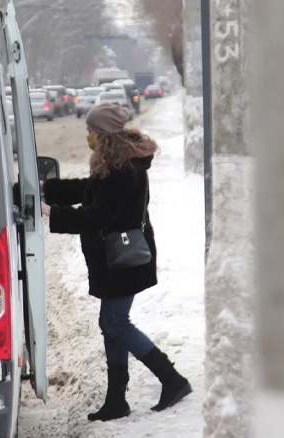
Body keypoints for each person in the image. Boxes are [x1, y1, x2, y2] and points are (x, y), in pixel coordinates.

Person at [40, 103, 191, 422]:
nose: (88, 137)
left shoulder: (124, 170)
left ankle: (171, 379)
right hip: (114, 261)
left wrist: (53, 212)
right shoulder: (117, 164)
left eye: (91, 132)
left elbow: (98, 215)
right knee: (111, 323)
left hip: (124, 259)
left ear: (104, 136)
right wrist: (48, 190)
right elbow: (89, 189)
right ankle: (116, 399)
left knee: (115, 322)